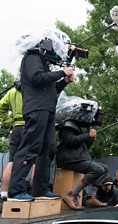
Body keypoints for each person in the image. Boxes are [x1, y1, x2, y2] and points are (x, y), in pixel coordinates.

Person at [8, 29, 75, 201]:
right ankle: (16, 191)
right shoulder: (32, 57)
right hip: (37, 109)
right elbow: (37, 78)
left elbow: (50, 90)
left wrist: (63, 82)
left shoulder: (43, 62)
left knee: (48, 149)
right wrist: (62, 72)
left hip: (47, 109)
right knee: (30, 147)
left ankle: (40, 189)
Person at [56, 120, 109, 210]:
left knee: (105, 168)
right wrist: (88, 135)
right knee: (98, 169)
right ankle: (72, 195)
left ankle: (91, 197)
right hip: (68, 159)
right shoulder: (67, 127)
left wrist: (90, 139)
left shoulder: (77, 129)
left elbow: (83, 147)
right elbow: (70, 141)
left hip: (77, 159)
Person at [0, 84, 26, 200]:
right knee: (36, 160)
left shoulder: (12, 92)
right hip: (31, 127)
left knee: (12, 160)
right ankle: (36, 194)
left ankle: (3, 193)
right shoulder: (32, 88)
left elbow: (1, 106)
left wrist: (8, 122)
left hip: (16, 128)